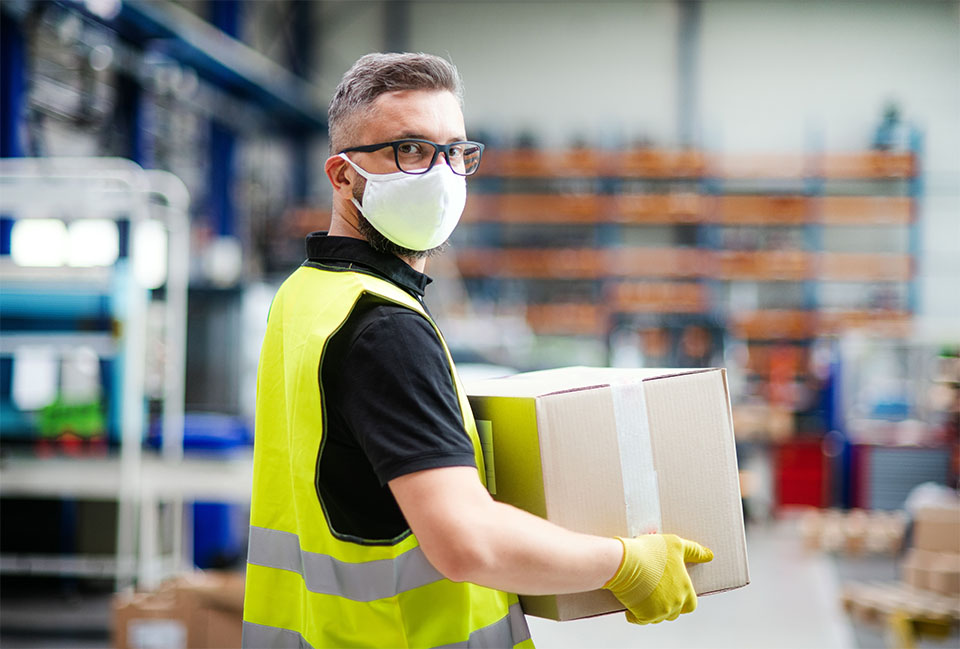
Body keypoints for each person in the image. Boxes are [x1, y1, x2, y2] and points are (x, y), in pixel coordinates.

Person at [241, 52, 714, 649]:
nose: (440, 173)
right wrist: (625, 563)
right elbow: (467, 542)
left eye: (455, 152)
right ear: (342, 175)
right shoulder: (382, 326)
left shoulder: (306, 294)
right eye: (409, 150)